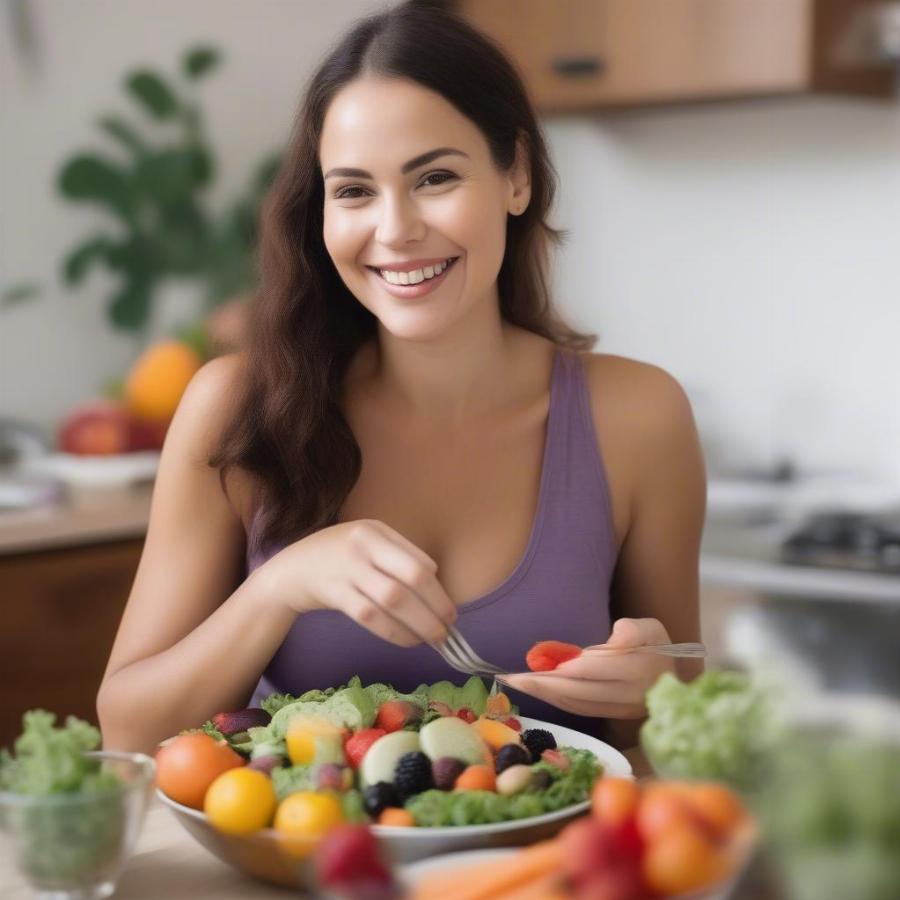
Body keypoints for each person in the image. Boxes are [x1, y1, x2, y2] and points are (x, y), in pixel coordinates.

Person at [97, 1, 705, 757]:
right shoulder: (237, 410)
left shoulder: (640, 417)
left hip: (540, 873)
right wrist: (277, 589)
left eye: (435, 178)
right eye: (353, 190)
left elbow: (680, 730)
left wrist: (656, 691)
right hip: (298, 866)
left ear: (515, 176)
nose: (395, 230)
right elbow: (127, 729)